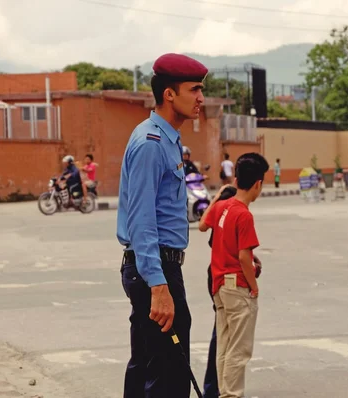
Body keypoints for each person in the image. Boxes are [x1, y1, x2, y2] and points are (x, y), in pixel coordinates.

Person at [116, 52, 208, 398]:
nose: (201, 98)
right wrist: (158, 285)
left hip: (155, 266)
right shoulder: (151, 144)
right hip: (155, 269)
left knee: (146, 367)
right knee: (168, 375)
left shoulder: (167, 139)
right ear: (170, 94)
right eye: (194, 90)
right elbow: (141, 221)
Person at [198, 152, 270, 398]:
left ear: (236, 180)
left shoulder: (222, 207)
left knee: (224, 347)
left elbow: (202, 224)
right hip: (237, 287)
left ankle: (222, 393)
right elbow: (243, 257)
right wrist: (254, 287)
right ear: (258, 184)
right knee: (239, 350)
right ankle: (231, 395)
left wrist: (218, 196)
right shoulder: (243, 214)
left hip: (219, 286)